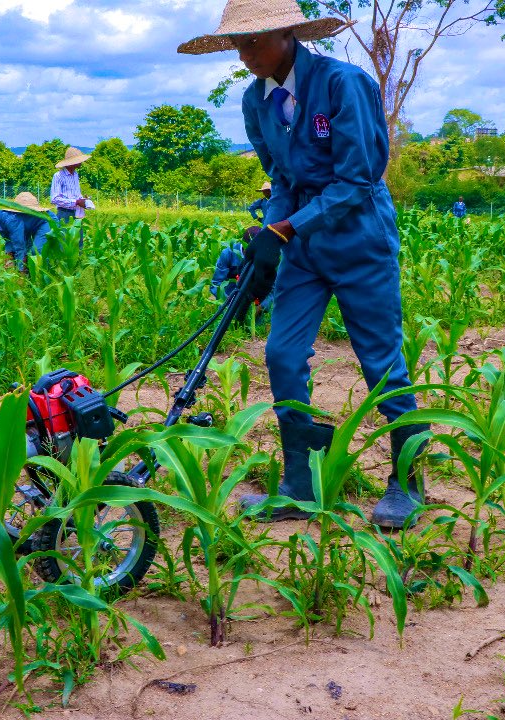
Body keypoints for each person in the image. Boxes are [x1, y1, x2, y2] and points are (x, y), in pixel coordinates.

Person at [179, 0, 431, 529]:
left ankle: (408, 482)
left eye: (256, 41)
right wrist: (269, 233)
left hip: (360, 241)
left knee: (381, 361)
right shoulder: (256, 101)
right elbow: (282, 180)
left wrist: (285, 228)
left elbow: (358, 178)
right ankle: (300, 481)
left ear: (289, 33)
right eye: (238, 45)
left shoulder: (344, 84)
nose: (247, 55)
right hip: (304, 249)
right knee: (282, 352)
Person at [0, 193, 55, 271]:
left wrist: (20, 271)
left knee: (36, 251)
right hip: (32, 227)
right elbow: (9, 240)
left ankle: (47, 275)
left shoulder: (9, 221)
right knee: (27, 254)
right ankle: (31, 278)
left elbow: (19, 246)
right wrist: (9, 255)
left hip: (47, 220)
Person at [210, 226, 274, 316]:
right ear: (244, 246)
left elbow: (272, 288)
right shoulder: (228, 254)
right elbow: (216, 283)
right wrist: (227, 302)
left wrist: (262, 306)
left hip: (254, 306)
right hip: (228, 304)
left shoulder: (267, 258)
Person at [51, 147, 93, 248]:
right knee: (64, 244)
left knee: (78, 243)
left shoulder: (75, 174)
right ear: (72, 162)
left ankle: (78, 263)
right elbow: (54, 199)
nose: (81, 162)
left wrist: (83, 200)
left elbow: (75, 195)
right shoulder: (58, 176)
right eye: (79, 160)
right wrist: (76, 202)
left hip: (77, 214)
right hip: (64, 214)